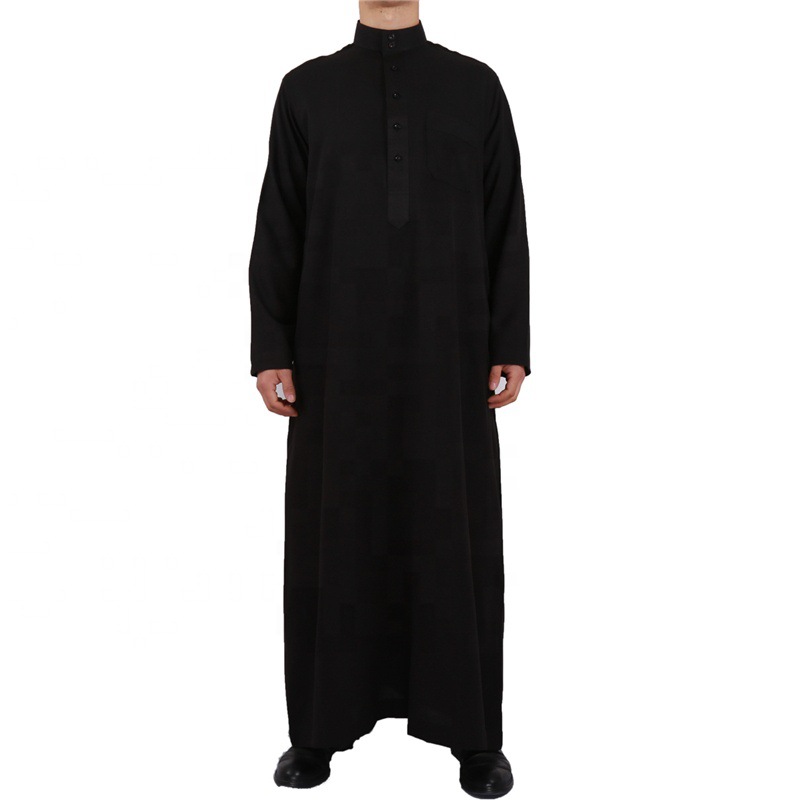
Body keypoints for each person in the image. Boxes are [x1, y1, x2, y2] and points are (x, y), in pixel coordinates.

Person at [248, 2, 530, 796]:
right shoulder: (306, 91)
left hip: (451, 356)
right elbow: (279, 221)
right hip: (334, 357)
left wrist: (510, 340)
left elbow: (505, 217)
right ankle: (317, 730)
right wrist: (271, 348)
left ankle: (476, 736)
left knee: (455, 531)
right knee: (334, 531)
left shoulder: (476, 88)